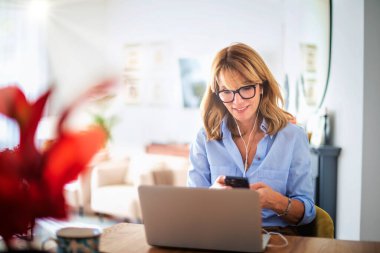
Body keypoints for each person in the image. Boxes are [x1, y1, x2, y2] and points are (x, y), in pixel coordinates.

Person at [187, 43, 316, 235]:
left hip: (276, 237)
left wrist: (277, 202)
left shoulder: (292, 136)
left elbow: (307, 212)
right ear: (217, 93)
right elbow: (191, 209)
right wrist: (210, 198)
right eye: (227, 91)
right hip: (219, 235)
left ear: (262, 86)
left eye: (246, 88)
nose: (237, 101)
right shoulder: (205, 138)